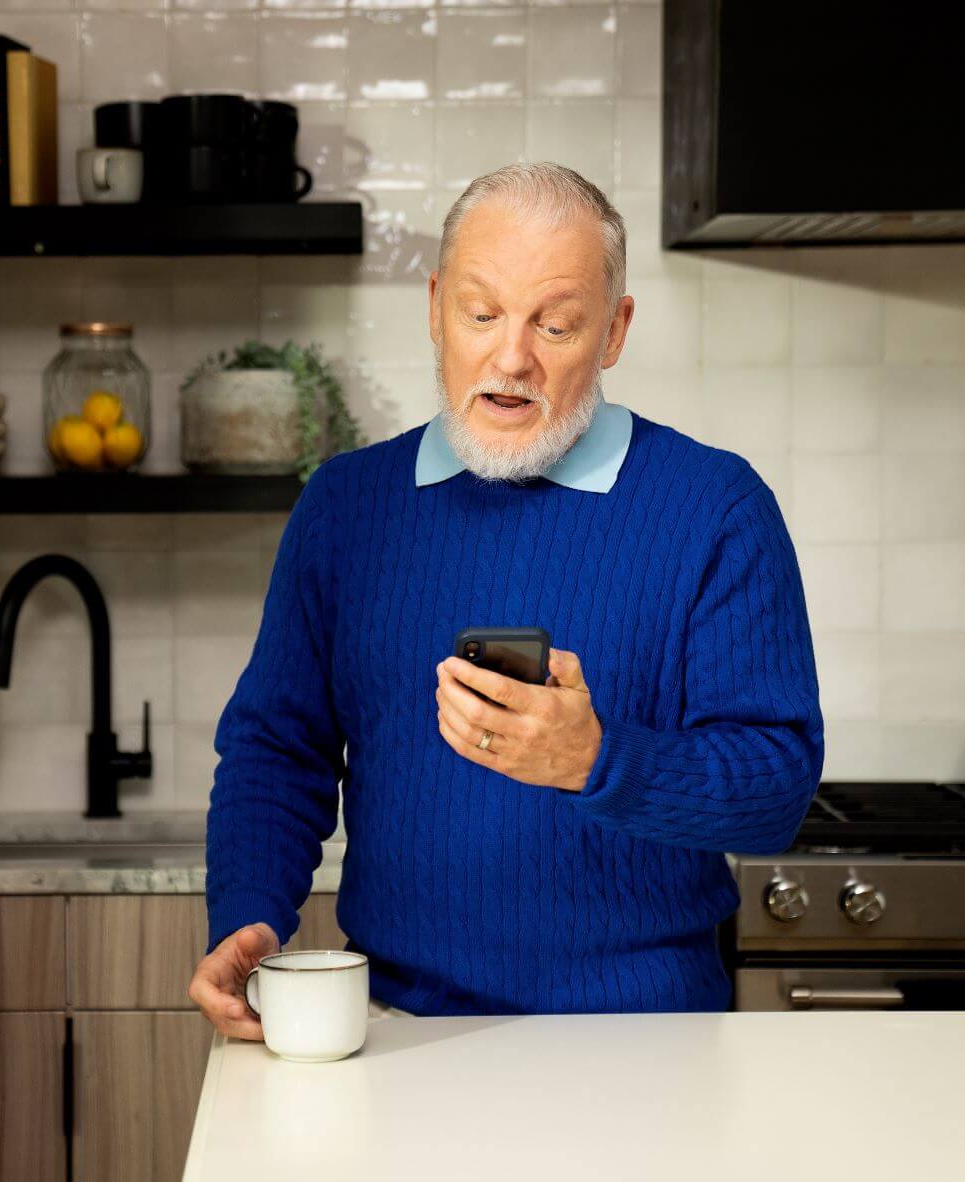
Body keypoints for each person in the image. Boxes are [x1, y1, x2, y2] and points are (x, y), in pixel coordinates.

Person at [188, 162, 824, 1037]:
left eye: (556, 324)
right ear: (434, 308)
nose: (511, 356)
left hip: (645, 1038)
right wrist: (250, 913)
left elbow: (775, 789)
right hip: (396, 1024)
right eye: (480, 314)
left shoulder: (714, 509)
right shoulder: (346, 506)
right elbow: (276, 748)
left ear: (613, 331)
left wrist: (597, 760)